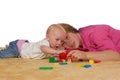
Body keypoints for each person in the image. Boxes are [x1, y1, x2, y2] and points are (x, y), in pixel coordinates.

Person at [49, 23, 120, 61]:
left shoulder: (95, 33)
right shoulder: (75, 47)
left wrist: (86, 55)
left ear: (72, 31)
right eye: (63, 43)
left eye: (67, 37)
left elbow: (116, 56)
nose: (69, 43)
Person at [0, 25, 66, 59]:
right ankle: (10, 48)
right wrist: (56, 52)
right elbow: (43, 48)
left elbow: (51, 54)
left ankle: (9, 48)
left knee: (11, 53)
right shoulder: (45, 43)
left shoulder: (53, 47)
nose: (59, 43)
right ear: (47, 37)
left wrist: (57, 54)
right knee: (4, 55)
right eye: (57, 39)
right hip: (18, 48)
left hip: (24, 48)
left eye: (62, 41)